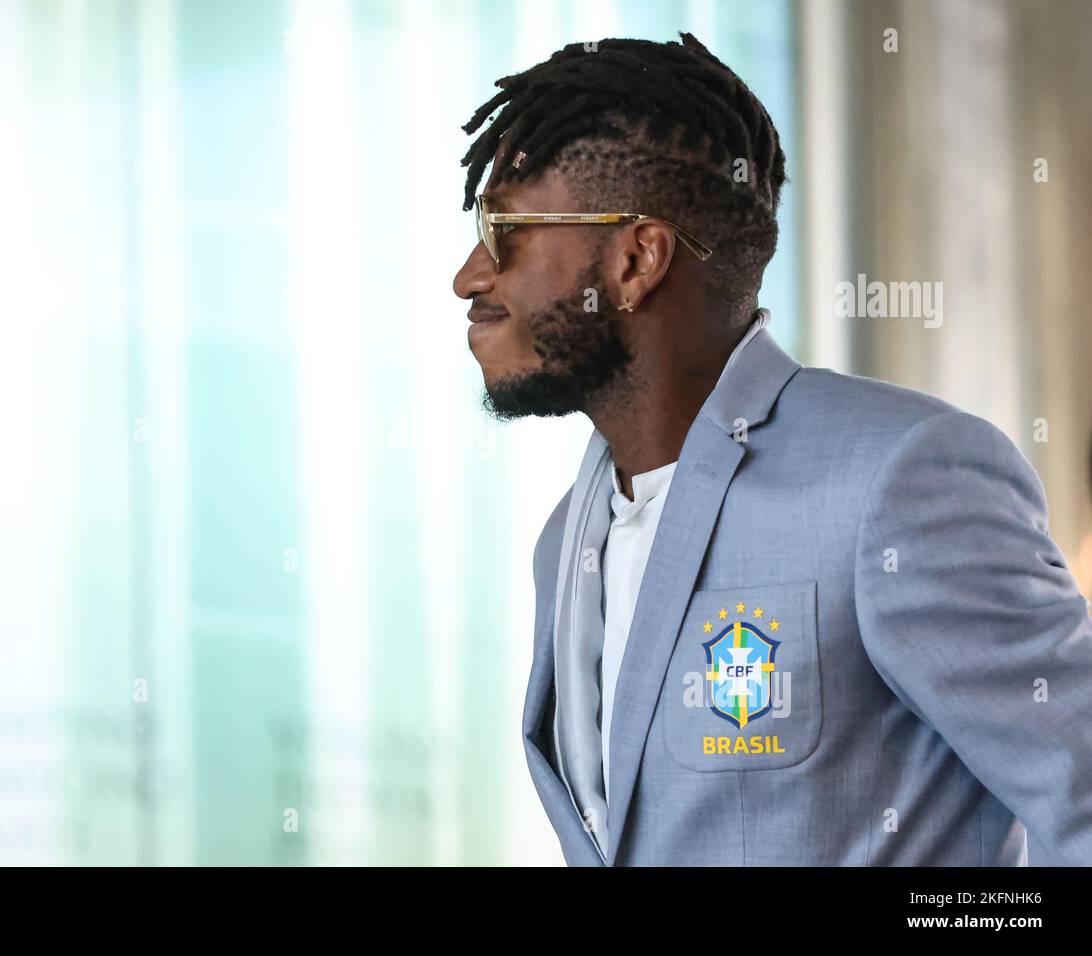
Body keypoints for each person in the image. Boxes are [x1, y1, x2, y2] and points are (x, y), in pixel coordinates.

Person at [451, 34, 1092, 866]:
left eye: (504, 231)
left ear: (636, 259)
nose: (470, 276)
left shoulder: (900, 478)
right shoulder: (567, 538)